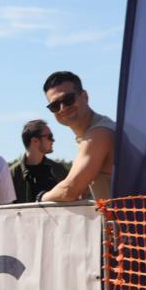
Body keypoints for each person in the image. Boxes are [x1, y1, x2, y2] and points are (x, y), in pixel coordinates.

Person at [39, 71, 115, 202]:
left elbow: (68, 191)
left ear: (84, 96)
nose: (62, 108)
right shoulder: (91, 135)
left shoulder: (99, 133)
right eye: (55, 106)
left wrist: (40, 198)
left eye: (68, 99)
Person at [11, 119, 67, 204]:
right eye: (49, 137)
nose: (53, 140)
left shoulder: (59, 170)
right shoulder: (12, 174)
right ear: (35, 141)